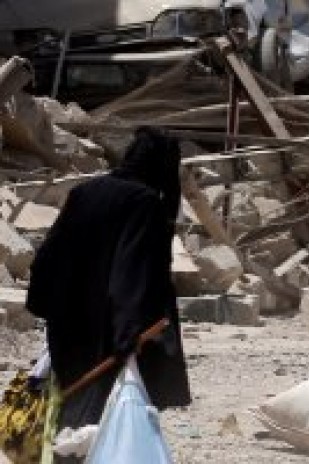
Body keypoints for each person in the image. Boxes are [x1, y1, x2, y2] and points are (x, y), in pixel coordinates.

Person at [25, 127, 192, 448]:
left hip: (68, 320)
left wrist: (44, 302)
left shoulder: (85, 191)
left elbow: (49, 255)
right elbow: (131, 273)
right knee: (104, 413)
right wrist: (129, 335)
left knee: (72, 407)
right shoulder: (145, 203)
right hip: (109, 328)